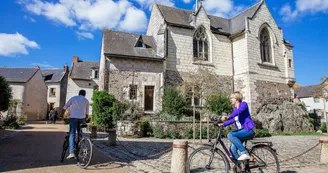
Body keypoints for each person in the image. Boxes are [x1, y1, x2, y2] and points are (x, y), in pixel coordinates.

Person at [218, 91, 256, 161]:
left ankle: (244, 153)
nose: (231, 100)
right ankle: (241, 167)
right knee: (232, 150)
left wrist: (227, 116)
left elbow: (238, 112)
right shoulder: (235, 109)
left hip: (249, 129)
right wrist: (223, 124)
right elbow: (233, 120)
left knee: (230, 134)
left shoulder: (243, 105)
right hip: (242, 131)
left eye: (232, 98)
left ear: (237, 98)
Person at [62, 90, 90, 159]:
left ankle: (72, 152)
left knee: (72, 134)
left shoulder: (74, 98)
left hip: (73, 117)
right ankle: (80, 147)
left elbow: (65, 107)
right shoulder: (86, 100)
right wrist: (85, 120)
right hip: (82, 118)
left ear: (79, 94)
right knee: (80, 133)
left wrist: (61, 115)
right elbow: (87, 113)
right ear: (84, 95)